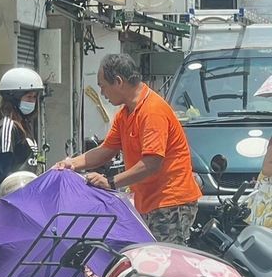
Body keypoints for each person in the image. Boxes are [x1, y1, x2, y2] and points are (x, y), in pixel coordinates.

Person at [56, 54, 202, 244]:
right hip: (147, 201)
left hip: (170, 201)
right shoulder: (125, 113)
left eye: (103, 86)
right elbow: (106, 150)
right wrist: (70, 164)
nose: (102, 93)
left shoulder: (152, 111)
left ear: (118, 82)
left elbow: (151, 163)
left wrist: (110, 182)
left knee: (165, 266)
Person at [0, 67, 44, 211]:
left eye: (35, 97)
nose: (33, 102)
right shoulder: (8, 125)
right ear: (14, 97)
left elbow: (35, 159)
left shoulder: (26, 126)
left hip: (26, 199)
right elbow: (3, 167)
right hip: (9, 202)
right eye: (29, 97)